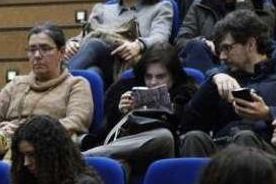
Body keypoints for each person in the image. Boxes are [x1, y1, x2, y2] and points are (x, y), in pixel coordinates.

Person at [179, 9, 276, 157]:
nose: (222, 57)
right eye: (220, 50)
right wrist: (212, 81)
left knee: (245, 137)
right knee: (193, 138)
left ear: (250, 44)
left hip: (267, 151)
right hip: (222, 147)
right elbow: (188, 124)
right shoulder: (220, 77)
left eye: (227, 48)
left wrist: (268, 113)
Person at [0, 23, 93, 159]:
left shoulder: (76, 84)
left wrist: (23, 131)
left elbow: (75, 122)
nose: (37, 55)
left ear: (62, 52)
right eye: (32, 49)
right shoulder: (17, 84)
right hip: (5, 142)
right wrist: (0, 133)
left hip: (46, 147)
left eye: (45, 49)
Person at [84, 43, 198, 176]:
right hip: (127, 148)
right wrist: (119, 111)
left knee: (165, 136)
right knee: (117, 167)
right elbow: (106, 131)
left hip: (162, 149)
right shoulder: (126, 87)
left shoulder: (186, 92)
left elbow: (188, 125)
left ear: (173, 76)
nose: (153, 82)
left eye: (160, 77)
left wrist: (171, 109)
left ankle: (85, 156)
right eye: (148, 76)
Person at [66, 0, 174, 87]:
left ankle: (55, 84)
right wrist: (73, 43)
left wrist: (138, 45)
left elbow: (160, 37)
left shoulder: (161, 8)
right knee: (92, 73)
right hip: (105, 66)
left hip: (132, 64)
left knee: (95, 44)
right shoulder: (102, 9)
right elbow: (84, 36)